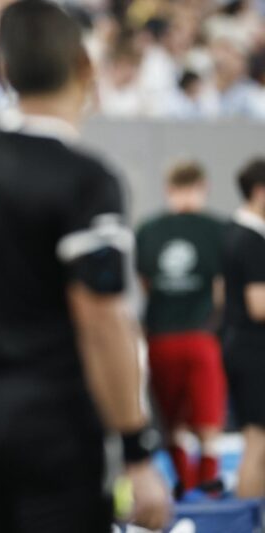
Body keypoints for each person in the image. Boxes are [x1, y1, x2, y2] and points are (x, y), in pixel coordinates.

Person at [0, 2, 170, 531]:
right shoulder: (87, 179)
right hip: (55, 423)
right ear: (84, 67)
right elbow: (102, 319)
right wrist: (137, 451)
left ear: (4, 70)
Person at [136, 161, 226, 495]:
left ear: (168, 188)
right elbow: (221, 290)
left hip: (161, 335)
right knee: (208, 419)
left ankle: (185, 485)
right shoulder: (217, 229)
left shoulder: (148, 229)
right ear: (202, 187)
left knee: (172, 421)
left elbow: (144, 282)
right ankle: (209, 485)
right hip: (200, 336)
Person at [222, 159, 265, 498]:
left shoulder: (234, 233)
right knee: (258, 444)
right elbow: (259, 305)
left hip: (243, 348)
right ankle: (248, 520)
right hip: (253, 353)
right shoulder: (250, 240)